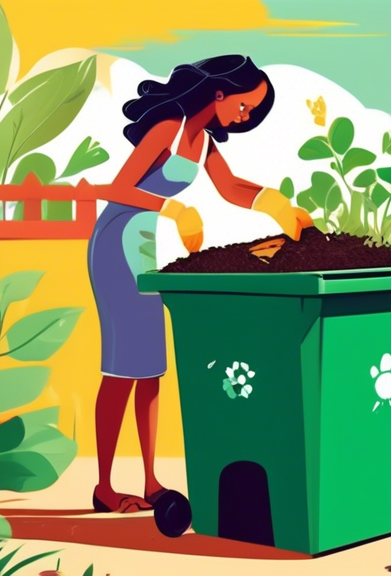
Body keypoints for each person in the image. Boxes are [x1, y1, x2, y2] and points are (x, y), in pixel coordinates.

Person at [87, 55, 313, 516]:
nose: (246, 116)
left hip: (143, 246)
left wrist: (275, 202)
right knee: (121, 368)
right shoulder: (169, 127)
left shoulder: (204, 140)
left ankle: (151, 482)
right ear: (219, 92)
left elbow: (230, 188)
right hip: (115, 244)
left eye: (254, 110)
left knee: (150, 368)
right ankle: (105, 487)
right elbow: (113, 190)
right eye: (246, 105)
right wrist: (172, 210)